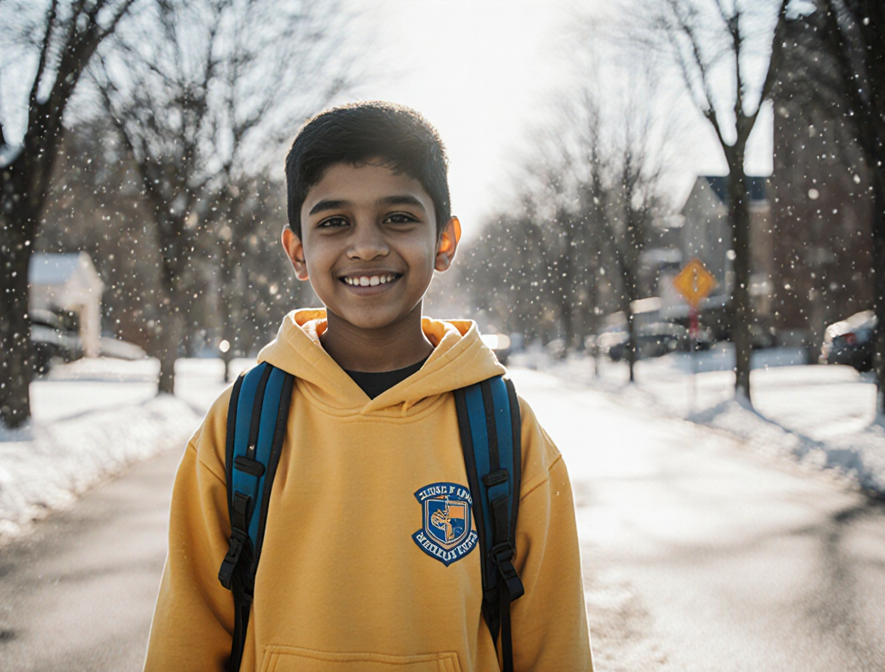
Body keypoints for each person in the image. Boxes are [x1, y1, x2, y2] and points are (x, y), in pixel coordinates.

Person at [143, 101, 593, 672]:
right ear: (298, 251)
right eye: (334, 222)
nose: (367, 246)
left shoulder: (505, 433)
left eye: (398, 218)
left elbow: (554, 647)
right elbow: (187, 633)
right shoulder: (242, 424)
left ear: (446, 241)